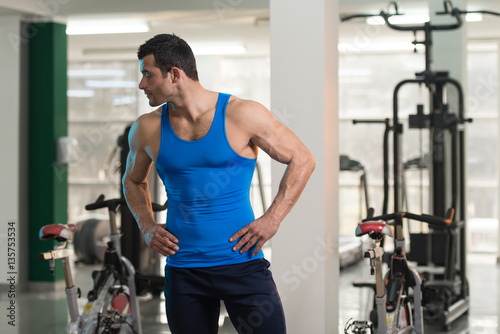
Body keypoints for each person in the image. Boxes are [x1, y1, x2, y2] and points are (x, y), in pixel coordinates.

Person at [122, 33, 315, 334]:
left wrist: (272, 219)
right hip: (183, 270)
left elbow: (302, 159)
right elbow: (133, 181)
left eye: (147, 74)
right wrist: (147, 226)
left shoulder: (241, 114)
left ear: (175, 74)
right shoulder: (146, 128)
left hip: (242, 265)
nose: (142, 84)